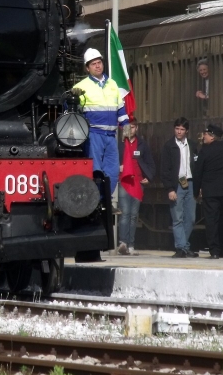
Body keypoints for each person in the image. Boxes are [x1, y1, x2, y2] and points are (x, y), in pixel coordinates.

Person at [73, 48, 130, 193]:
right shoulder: (80, 87)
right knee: (95, 171)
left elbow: (120, 108)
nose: (98, 66)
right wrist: (72, 99)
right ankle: (95, 201)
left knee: (112, 172)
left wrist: (126, 126)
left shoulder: (112, 84)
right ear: (87, 68)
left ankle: (106, 201)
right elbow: (72, 112)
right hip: (93, 134)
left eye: (99, 62)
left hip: (111, 136)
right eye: (93, 64)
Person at [196, 124, 223, 259]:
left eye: (206, 134)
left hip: (210, 192)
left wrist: (195, 192)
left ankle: (215, 250)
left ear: (212, 136)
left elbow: (198, 173)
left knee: (212, 221)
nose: (204, 136)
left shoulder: (204, 151)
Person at [160, 117, 198, 258]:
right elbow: (164, 170)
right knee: (177, 218)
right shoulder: (169, 146)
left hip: (191, 182)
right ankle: (181, 247)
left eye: (182, 129)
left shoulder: (192, 145)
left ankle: (184, 245)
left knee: (191, 218)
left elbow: (197, 166)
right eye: (177, 129)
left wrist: (199, 186)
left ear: (186, 131)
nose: (179, 132)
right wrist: (169, 189)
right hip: (177, 184)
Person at [116, 117, 155, 256]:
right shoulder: (120, 144)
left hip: (138, 183)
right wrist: (118, 168)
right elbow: (110, 160)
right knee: (125, 213)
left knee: (134, 215)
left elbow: (150, 163)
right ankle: (123, 242)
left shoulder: (142, 144)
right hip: (124, 182)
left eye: (132, 127)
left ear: (136, 128)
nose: (130, 129)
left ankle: (131, 245)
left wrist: (148, 177)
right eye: (127, 127)